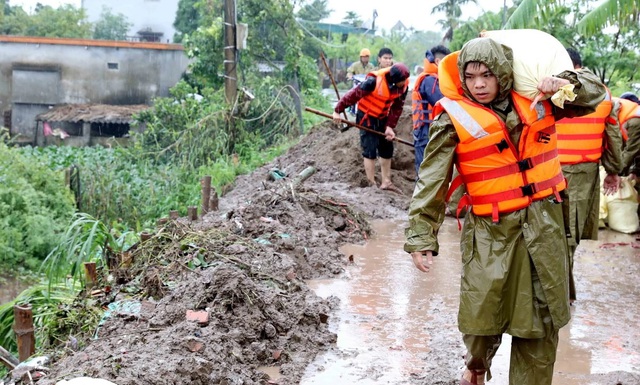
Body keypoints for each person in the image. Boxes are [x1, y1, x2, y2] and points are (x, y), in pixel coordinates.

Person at [404, 38, 608, 385]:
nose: (479, 84)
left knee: (540, 324)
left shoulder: (540, 100)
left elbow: (594, 94)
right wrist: (422, 234)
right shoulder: (454, 116)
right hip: (490, 231)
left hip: (544, 226)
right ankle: (476, 364)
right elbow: (432, 180)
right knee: (481, 320)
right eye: (470, 76)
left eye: (487, 75)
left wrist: (566, 83)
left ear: (502, 73)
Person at [554, 48, 623, 304]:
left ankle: (561, 295)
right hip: (583, 173)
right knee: (569, 235)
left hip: (548, 171)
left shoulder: (552, 92)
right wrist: (613, 171)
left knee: (556, 234)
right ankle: (562, 295)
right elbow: (613, 136)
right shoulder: (604, 94)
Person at [332, 63, 410, 192]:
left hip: (383, 117)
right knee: (370, 148)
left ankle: (386, 181)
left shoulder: (403, 86)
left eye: (404, 80)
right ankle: (371, 184)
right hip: (367, 117)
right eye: (401, 81)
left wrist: (390, 126)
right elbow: (353, 95)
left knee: (387, 147)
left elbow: (397, 107)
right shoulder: (373, 81)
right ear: (394, 79)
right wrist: (337, 110)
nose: (404, 83)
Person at [411, 45, 451, 179]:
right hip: (425, 131)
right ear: (439, 61)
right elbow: (441, 103)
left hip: (431, 129)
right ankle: (421, 199)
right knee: (425, 170)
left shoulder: (435, 79)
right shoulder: (429, 80)